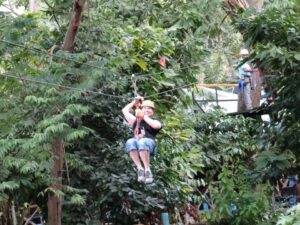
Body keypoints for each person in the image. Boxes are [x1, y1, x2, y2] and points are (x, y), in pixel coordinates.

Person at [122, 97, 162, 183]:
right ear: (141, 109)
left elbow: (156, 126)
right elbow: (125, 111)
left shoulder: (155, 121)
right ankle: (140, 169)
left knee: (142, 141)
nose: (147, 110)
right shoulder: (135, 121)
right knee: (130, 141)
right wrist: (134, 102)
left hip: (149, 143)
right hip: (138, 143)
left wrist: (143, 116)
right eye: (145, 108)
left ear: (153, 112)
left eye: (149, 109)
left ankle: (147, 170)